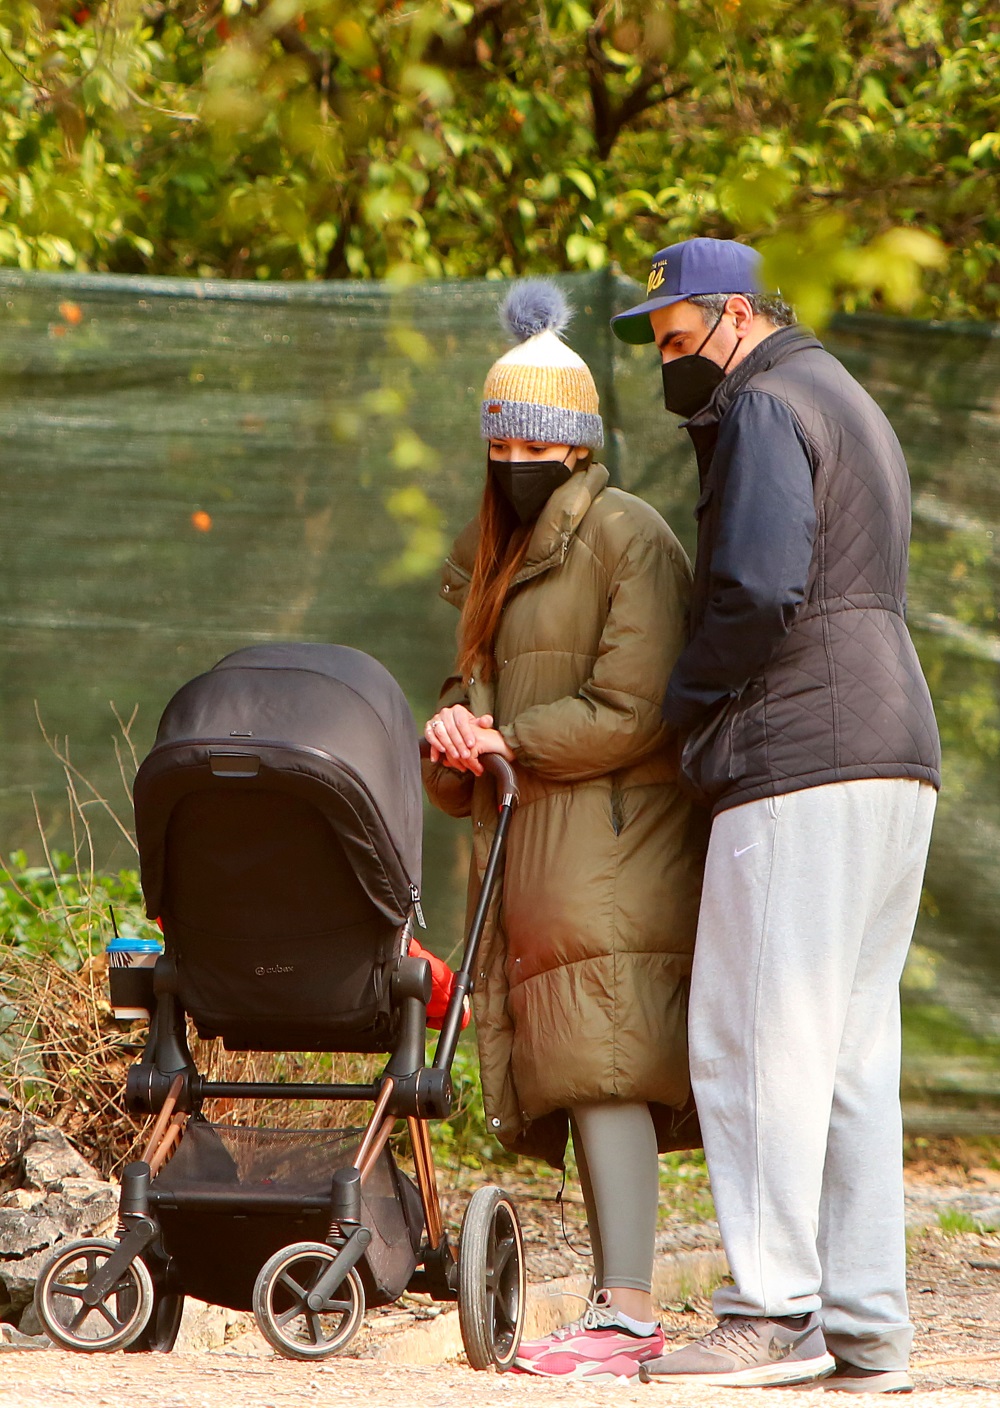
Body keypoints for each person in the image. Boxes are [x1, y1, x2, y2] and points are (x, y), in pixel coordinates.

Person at [610, 238, 940, 1393]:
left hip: (800, 749)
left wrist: (685, 711)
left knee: (750, 1034)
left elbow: (755, 587)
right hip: (894, 753)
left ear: (735, 315)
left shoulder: (761, 404)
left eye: (675, 337)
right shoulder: (839, 392)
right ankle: (864, 1325)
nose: (667, 364)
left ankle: (767, 1312)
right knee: (849, 1050)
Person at [422, 279, 706, 1381]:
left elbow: (635, 711)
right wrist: (451, 744)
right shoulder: (493, 549)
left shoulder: (627, 538)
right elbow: (470, 699)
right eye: (502, 437)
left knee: (606, 1066)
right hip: (531, 846)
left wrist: (500, 738)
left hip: (612, 843)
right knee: (588, 1074)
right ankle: (614, 1304)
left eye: (539, 436)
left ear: (579, 443)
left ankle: (629, 1312)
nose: (517, 454)